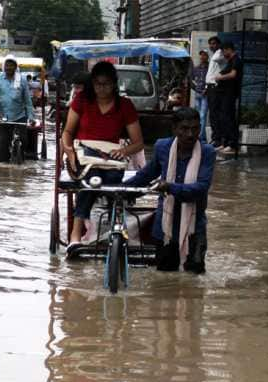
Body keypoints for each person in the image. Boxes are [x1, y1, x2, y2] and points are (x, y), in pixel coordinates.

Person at [62, 61, 144, 253]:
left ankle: (116, 228)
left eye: (106, 84)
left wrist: (124, 151)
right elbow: (67, 132)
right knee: (90, 183)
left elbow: (138, 142)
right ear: (93, 83)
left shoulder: (125, 105)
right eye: (98, 84)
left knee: (114, 183)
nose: (102, 88)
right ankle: (75, 235)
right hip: (83, 158)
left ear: (114, 84)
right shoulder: (82, 100)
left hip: (111, 159)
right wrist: (70, 152)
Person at [125, 107, 215, 274]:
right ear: (174, 129)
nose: (190, 134)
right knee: (164, 280)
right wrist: (123, 191)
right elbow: (146, 175)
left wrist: (170, 187)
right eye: (184, 129)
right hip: (165, 227)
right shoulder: (162, 147)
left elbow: (201, 188)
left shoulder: (207, 152)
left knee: (193, 280)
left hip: (194, 228)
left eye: (195, 129)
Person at [0, 54, 35, 162]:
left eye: (12, 65)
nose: (9, 68)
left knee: (24, 140)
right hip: (4, 116)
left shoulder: (22, 80)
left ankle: (21, 156)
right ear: (4, 66)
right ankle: (4, 171)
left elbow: (28, 101)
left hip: (20, 116)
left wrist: (31, 117)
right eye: (7, 65)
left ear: (16, 67)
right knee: (3, 145)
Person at [214, 42, 243, 154]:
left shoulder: (236, 60)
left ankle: (232, 144)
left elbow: (233, 74)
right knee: (223, 117)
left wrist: (220, 77)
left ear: (229, 49)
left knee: (229, 118)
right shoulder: (230, 61)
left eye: (223, 51)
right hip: (224, 93)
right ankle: (225, 142)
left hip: (230, 93)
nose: (223, 53)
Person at [205, 36, 226, 148]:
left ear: (218, 44)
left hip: (215, 87)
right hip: (210, 87)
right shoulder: (214, 55)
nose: (211, 46)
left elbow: (220, 59)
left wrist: (221, 47)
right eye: (210, 44)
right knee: (212, 114)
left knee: (215, 113)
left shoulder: (220, 54)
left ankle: (217, 138)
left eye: (213, 43)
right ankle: (215, 137)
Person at [191, 50, 209, 142]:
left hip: (206, 95)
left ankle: (200, 137)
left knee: (203, 115)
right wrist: (196, 88)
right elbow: (192, 80)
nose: (202, 57)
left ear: (207, 57)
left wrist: (207, 89)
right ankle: (202, 136)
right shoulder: (196, 68)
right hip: (198, 94)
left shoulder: (210, 68)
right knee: (198, 116)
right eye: (201, 55)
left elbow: (212, 80)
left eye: (204, 55)